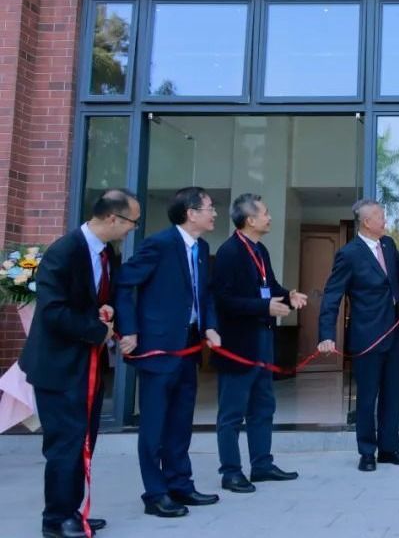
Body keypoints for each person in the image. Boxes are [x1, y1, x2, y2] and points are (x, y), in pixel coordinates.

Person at [20, 189, 140, 538]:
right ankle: (56, 520)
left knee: (83, 439)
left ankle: (72, 510)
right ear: (113, 218)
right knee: (65, 444)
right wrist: (98, 331)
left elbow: (97, 298)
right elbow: (53, 310)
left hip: (87, 365)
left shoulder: (107, 253)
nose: (133, 229)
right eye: (132, 222)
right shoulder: (65, 251)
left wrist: (108, 312)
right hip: (58, 366)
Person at [115, 187, 222, 518]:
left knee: (180, 421)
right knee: (154, 425)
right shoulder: (159, 244)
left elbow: (204, 294)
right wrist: (129, 328)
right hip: (158, 348)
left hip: (188, 346)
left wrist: (209, 326)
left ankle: (180, 484)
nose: (214, 213)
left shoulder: (202, 248)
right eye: (210, 207)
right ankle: (155, 493)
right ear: (191, 213)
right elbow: (124, 282)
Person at [316, 200, 399, 471]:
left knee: (392, 395)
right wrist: (326, 334)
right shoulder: (349, 254)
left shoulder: (387, 245)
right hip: (367, 337)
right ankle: (367, 453)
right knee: (367, 397)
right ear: (366, 222)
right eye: (381, 216)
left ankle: (389, 449)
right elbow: (332, 296)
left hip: (393, 334)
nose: (385, 221)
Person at [211, 194, 308, 493]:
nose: (270, 217)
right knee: (232, 412)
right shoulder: (229, 252)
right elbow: (224, 300)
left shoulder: (260, 250)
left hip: (263, 340)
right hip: (238, 344)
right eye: (265, 213)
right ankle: (231, 472)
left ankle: (262, 465)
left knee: (263, 406)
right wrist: (264, 307)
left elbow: (270, 287)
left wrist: (289, 296)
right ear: (250, 220)